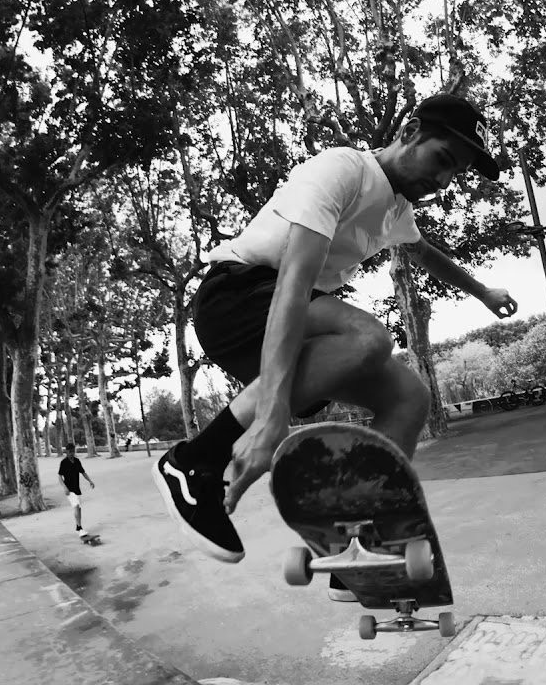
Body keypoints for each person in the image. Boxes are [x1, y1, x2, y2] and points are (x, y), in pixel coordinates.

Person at [151, 93, 517, 600]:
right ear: (410, 131)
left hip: (284, 315)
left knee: (409, 398)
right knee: (367, 337)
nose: (443, 180)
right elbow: (293, 284)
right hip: (236, 298)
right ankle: (195, 460)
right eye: (442, 160)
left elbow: (425, 253)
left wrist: (482, 292)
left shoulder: (397, 210)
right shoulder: (343, 170)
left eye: (455, 173)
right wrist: (272, 417)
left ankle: (353, 540)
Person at [58, 450, 96, 539]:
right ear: (67, 452)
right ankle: (80, 528)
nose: (71, 454)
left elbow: (83, 472)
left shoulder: (77, 461)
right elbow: (60, 476)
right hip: (69, 489)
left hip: (77, 488)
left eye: (72, 452)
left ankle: (78, 527)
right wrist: (64, 487)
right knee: (76, 506)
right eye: (69, 452)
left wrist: (90, 481)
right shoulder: (64, 462)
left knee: (78, 508)